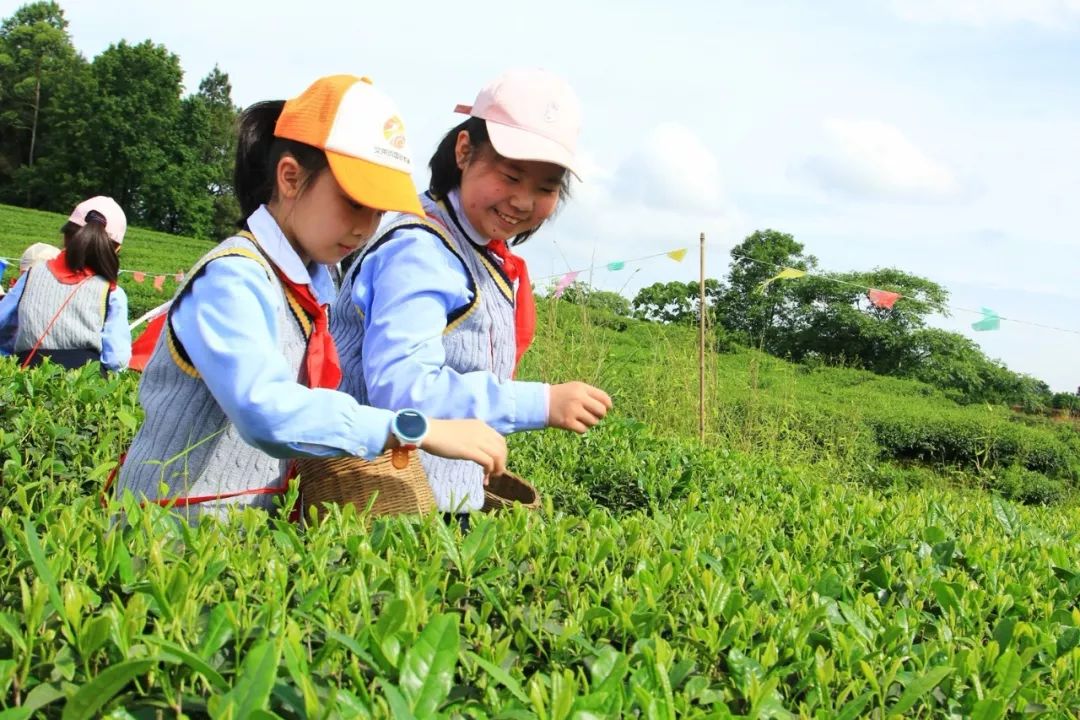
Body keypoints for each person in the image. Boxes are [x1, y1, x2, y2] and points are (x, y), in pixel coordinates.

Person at [113, 74, 507, 523]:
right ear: (290, 177)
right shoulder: (234, 279)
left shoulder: (307, 289)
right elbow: (266, 411)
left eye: (379, 211)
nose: (366, 226)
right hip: (158, 550)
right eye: (355, 202)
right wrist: (413, 428)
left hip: (232, 550)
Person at [332, 68, 612, 517]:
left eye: (545, 188)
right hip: (381, 510)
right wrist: (541, 402)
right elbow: (405, 390)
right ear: (464, 151)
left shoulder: (473, 248)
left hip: (424, 502)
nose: (523, 201)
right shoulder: (420, 250)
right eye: (510, 175)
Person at [0, 197, 131, 371]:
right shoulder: (112, 293)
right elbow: (116, 359)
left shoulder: (31, 275)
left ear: (66, 236)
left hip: (27, 375)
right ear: (116, 249)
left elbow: (4, 324)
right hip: (82, 384)